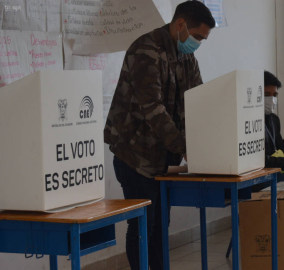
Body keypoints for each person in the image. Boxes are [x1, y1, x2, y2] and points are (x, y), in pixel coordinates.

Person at [103, 2, 215, 269]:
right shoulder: (146, 50)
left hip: (163, 156)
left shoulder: (186, 56)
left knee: (160, 224)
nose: (198, 43)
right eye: (197, 36)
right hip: (135, 156)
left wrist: (207, 139)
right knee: (144, 223)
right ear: (180, 25)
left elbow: (198, 100)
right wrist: (186, 146)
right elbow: (153, 108)